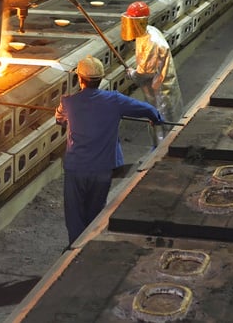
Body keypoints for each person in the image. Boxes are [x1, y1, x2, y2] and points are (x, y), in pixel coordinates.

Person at [55, 55, 164, 248]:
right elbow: (148, 109)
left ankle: (73, 250)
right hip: (102, 169)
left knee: (75, 214)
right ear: (101, 79)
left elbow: (60, 120)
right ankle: (90, 247)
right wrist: (154, 118)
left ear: (79, 79)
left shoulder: (68, 102)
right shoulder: (114, 101)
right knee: (96, 212)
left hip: (76, 169)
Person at [121, 1, 183, 133]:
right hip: (156, 85)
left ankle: (164, 149)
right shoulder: (146, 32)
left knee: (163, 121)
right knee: (156, 119)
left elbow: (146, 72)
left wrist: (132, 74)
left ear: (139, 21)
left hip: (160, 88)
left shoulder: (151, 42)